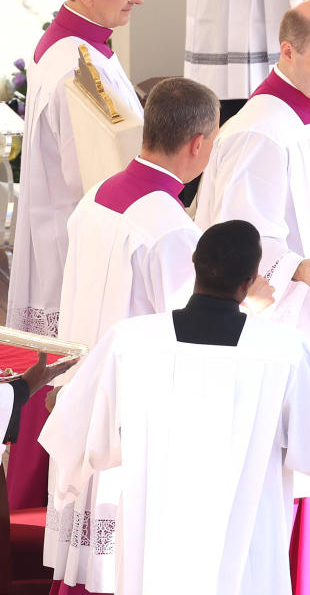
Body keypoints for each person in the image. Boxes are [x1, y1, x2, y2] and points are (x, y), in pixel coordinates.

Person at [41, 220, 310, 595]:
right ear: (252, 279)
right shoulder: (282, 350)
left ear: (195, 262)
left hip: (157, 538)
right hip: (244, 543)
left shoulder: (132, 340)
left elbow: (78, 428)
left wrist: (63, 400)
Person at [194, 0, 310, 595]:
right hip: (282, 316)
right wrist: (295, 267)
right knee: (282, 451)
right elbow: (237, 237)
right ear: (288, 52)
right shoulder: (259, 130)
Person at [43, 77, 242, 595]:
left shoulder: (97, 195)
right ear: (199, 144)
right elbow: (186, 325)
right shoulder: (168, 226)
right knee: (131, 560)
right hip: (134, 406)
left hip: (84, 388)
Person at [6, 0, 145, 512]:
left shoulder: (78, 46)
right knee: (78, 369)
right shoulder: (75, 66)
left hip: (68, 232)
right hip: (80, 241)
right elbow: (89, 171)